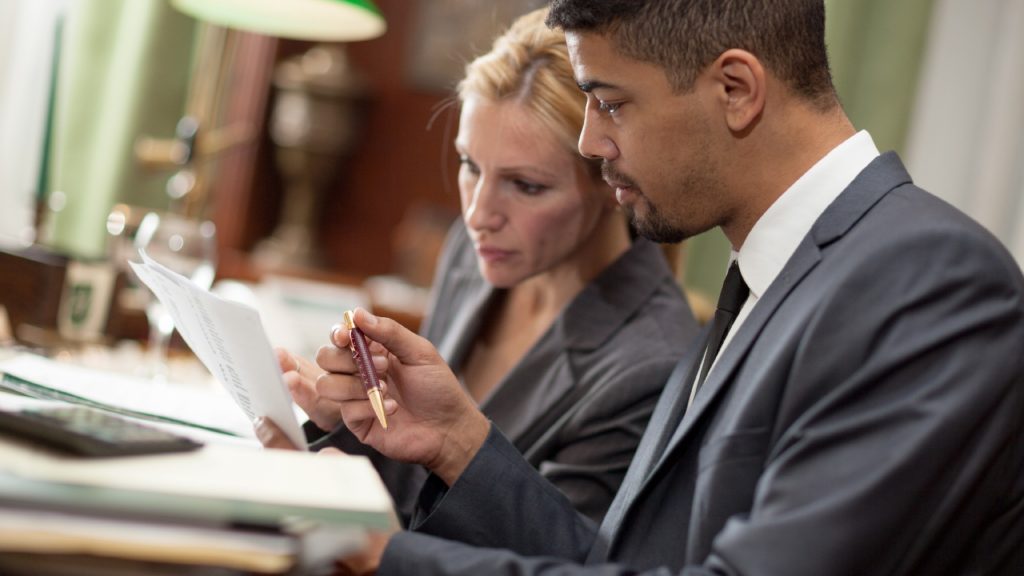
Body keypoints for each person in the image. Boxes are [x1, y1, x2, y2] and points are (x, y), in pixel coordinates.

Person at [289, 0, 1024, 574]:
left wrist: (390, 557)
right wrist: (456, 441)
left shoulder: (929, 279)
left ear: (736, 89)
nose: (589, 141)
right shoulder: (774, 275)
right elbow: (624, 562)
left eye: (608, 101)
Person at [268, 7, 698, 525]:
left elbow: (558, 556)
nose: (478, 215)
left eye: (526, 185)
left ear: (612, 181)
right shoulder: (473, 255)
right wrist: (344, 428)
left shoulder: (650, 365)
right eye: (471, 166)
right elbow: (418, 485)